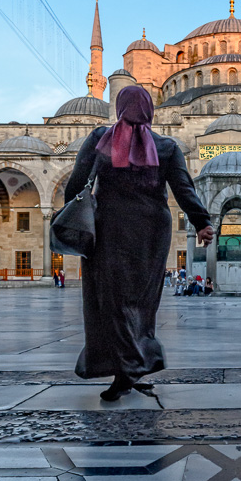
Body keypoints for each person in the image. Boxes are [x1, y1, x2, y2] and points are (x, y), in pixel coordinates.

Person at [64, 84, 213, 401]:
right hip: (151, 234)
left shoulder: (100, 140)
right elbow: (184, 189)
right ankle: (133, 366)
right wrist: (202, 222)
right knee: (141, 303)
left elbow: (76, 184)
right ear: (149, 111)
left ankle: (127, 371)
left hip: (109, 232)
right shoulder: (167, 146)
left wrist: (69, 218)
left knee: (112, 302)